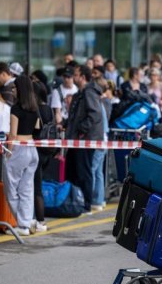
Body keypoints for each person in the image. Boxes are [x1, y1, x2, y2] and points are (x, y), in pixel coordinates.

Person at [4, 76, 41, 236]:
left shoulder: (16, 109)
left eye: (14, 87)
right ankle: (27, 222)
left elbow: (12, 134)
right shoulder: (35, 108)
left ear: (20, 89)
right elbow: (38, 129)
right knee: (26, 189)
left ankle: (23, 223)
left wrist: (8, 154)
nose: (13, 90)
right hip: (32, 147)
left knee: (11, 189)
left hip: (18, 148)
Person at [65, 65, 104, 215]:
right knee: (73, 171)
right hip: (76, 139)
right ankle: (76, 201)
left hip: (86, 139)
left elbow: (95, 115)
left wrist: (82, 129)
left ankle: (86, 204)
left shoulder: (89, 93)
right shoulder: (80, 94)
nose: (73, 77)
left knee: (84, 171)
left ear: (82, 77)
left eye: (75, 74)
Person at [30, 80, 53, 232]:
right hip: (47, 151)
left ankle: (40, 221)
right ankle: (38, 220)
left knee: (35, 188)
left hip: (37, 150)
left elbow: (36, 130)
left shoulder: (36, 109)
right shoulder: (49, 109)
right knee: (37, 185)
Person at [91, 77, 110, 212]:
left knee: (93, 170)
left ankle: (93, 199)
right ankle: (99, 200)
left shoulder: (99, 102)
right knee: (98, 172)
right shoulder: (104, 102)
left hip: (99, 140)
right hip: (104, 140)